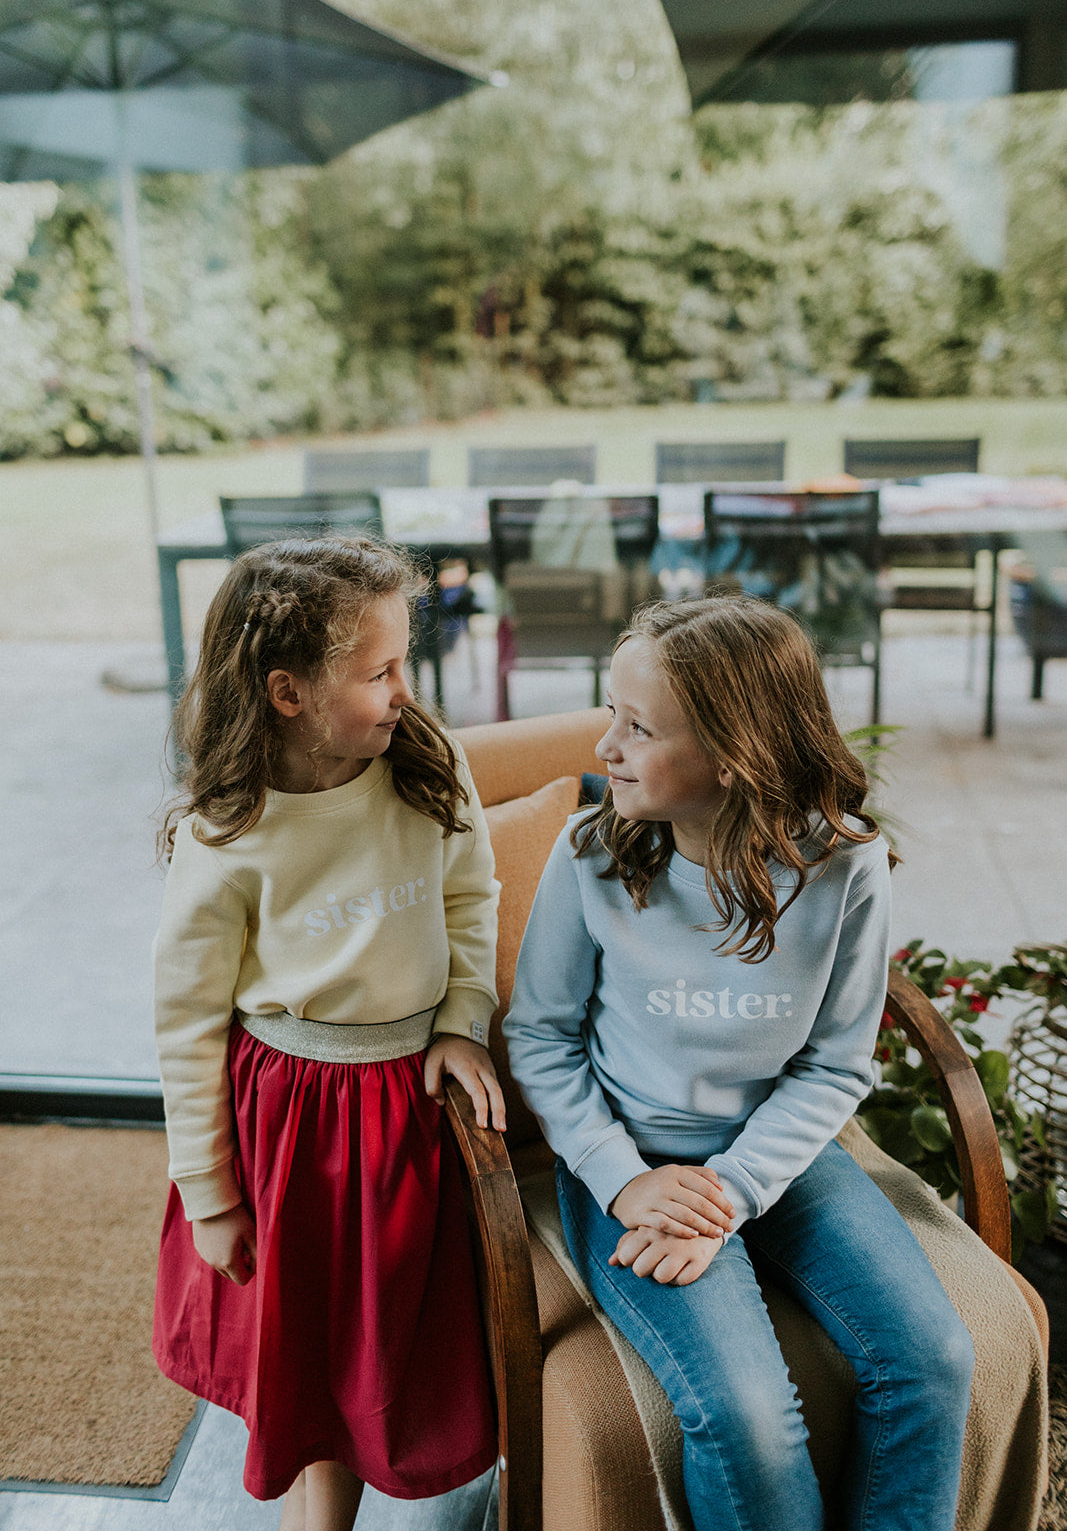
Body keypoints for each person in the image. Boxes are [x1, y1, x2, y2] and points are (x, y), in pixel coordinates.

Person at [503, 595, 975, 1531]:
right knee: (747, 1416)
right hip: (632, 1168)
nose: (603, 749)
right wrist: (623, 1183)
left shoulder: (844, 865)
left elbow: (837, 1067)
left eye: (636, 728)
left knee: (935, 1360)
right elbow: (540, 1038)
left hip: (782, 1163)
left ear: (734, 752)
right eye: (610, 714)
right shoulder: (590, 855)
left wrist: (732, 1190)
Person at [152, 535, 505, 1531]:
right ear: (287, 691)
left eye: (405, 662)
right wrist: (210, 1194)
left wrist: (460, 1018)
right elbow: (184, 1019)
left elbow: (472, 897)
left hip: (405, 1112)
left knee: (384, 1342)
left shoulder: (427, 772)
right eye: (379, 671)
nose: (405, 690)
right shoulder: (225, 832)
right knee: (306, 1347)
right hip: (290, 1123)